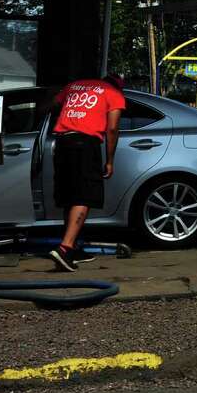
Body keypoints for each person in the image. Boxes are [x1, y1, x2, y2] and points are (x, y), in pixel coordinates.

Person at [48, 73, 127, 272]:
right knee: (84, 195)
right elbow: (112, 128)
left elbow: (52, 104)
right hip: (85, 144)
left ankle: (72, 246)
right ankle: (65, 248)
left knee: (70, 196)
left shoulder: (75, 85)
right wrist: (109, 160)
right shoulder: (113, 94)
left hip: (62, 143)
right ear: (118, 87)